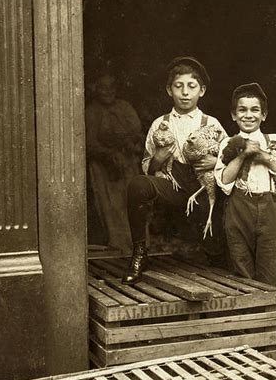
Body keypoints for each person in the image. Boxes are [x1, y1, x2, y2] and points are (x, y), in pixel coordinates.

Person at [123, 56, 227, 284]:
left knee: (216, 245)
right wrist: (158, 158)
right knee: (138, 184)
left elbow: (230, 162)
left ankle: (217, 256)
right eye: (178, 86)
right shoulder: (160, 123)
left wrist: (215, 163)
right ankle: (140, 253)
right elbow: (147, 166)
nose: (185, 92)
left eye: (191, 86)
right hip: (172, 185)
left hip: (202, 189)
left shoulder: (212, 123)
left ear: (202, 90)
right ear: (169, 90)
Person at [215, 83, 276, 289]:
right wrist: (243, 154)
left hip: (270, 206)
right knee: (240, 265)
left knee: (270, 267)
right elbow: (223, 181)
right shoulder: (228, 143)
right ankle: (247, 320)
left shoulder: (275, 141)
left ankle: (268, 319)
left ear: (264, 115)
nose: (248, 115)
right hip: (238, 208)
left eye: (255, 110)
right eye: (242, 110)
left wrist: (263, 156)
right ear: (234, 115)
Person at [85, 74, 144, 252]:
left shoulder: (124, 107)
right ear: (96, 90)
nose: (107, 92)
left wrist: (128, 144)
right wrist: (108, 154)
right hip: (103, 169)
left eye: (111, 88)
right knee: (111, 206)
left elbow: (136, 131)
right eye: (103, 88)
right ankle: (119, 245)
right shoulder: (91, 112)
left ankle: (137, 245)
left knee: (131, 202)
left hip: (127, 163)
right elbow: (88, 143)